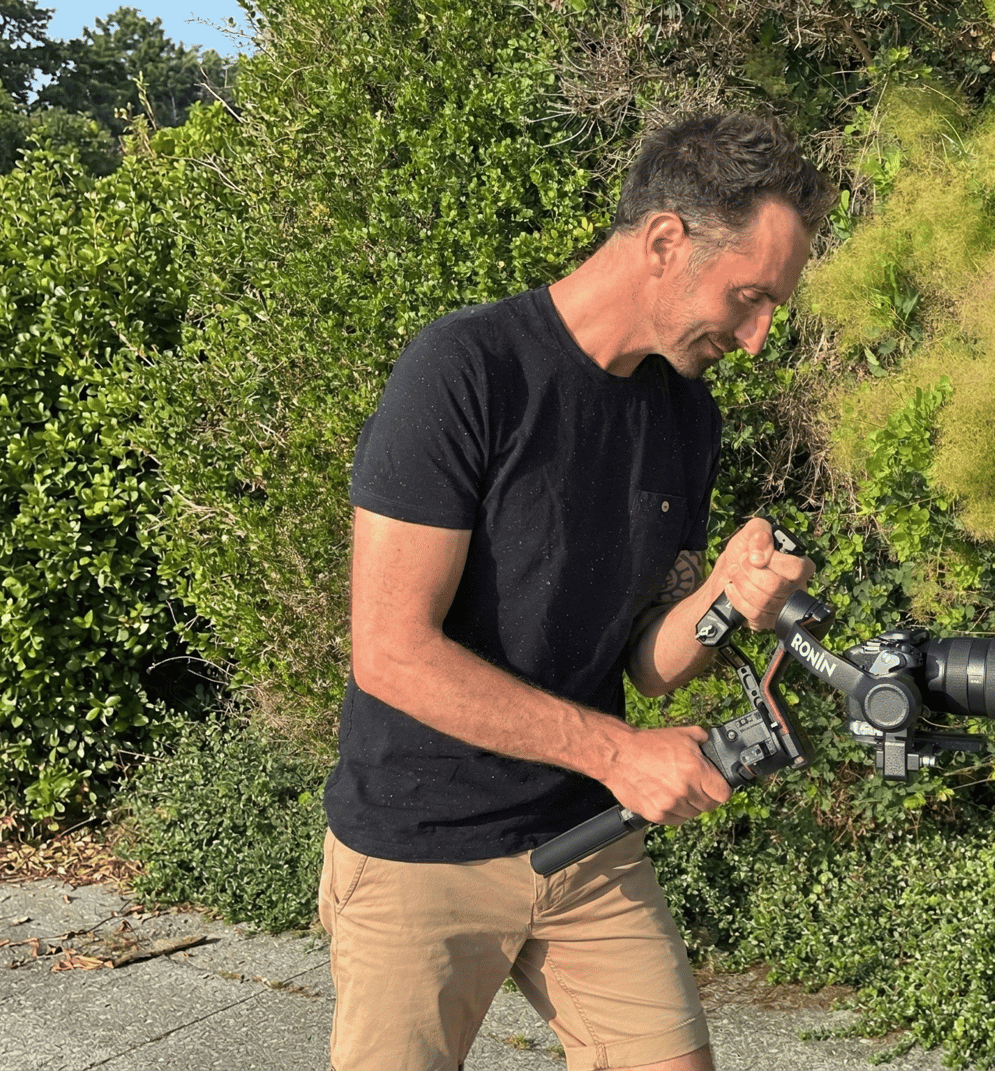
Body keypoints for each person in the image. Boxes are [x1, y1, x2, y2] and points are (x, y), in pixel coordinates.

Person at [317, 114, 836, 1071]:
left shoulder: (685, 412)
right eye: (749, 297)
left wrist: (724, 596)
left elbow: (648, 662)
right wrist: (618, 753)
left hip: (587, 836)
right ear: (666, 241)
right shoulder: (467, 371)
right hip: (419, 843)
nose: (759, 338)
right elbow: (390, 651)